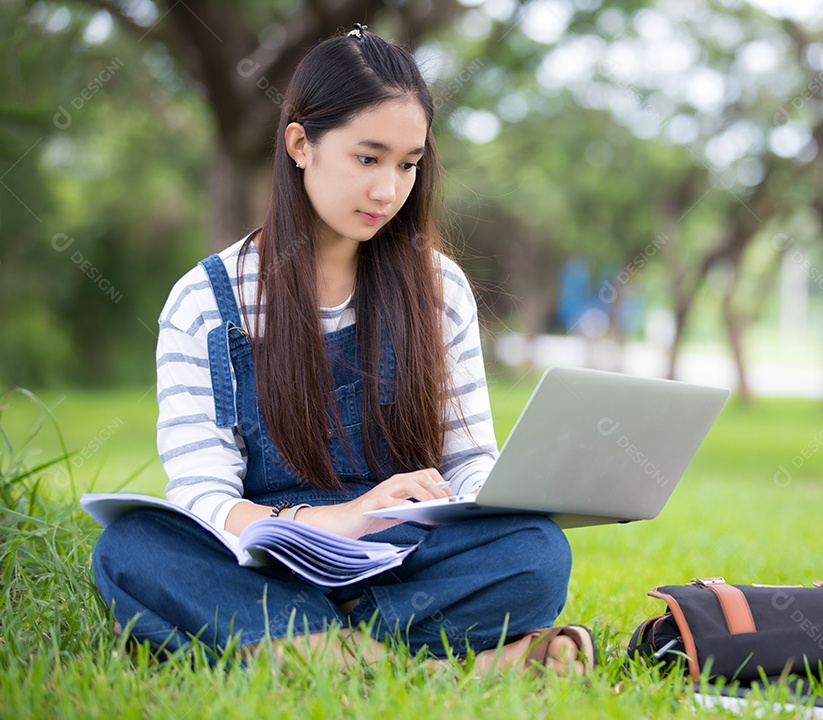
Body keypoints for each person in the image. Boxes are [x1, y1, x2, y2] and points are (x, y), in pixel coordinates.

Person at [91, 25, 594, 675]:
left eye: (408, 164)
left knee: (536, 552)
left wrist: (503, 498)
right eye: (368, 158)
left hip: (403, 558)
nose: (389, 190)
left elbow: (468, 461)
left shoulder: (437, 288)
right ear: (301, 145)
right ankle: (436, 664)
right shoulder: (206, 303)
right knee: (133, 549)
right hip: (269, 562)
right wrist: (341, 520)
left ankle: (306, 651)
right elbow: (203, 501)